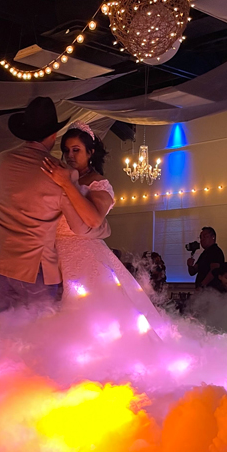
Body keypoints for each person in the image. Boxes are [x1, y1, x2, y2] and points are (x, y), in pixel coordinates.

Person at [41, 123, 161, 326]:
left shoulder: (98, 183)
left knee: (87, 318)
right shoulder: (61, 177)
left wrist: (67, 184)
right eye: (66, 150)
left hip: (83, 254)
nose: (70, 155)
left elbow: (94, 219)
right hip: (50, 253)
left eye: (76, 150)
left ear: (91, 152)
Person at [0, 96, 71, 312]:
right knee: (39, 336)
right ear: (54, 135)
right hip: (33, 266)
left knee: (8, 331)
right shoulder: (60, 171)